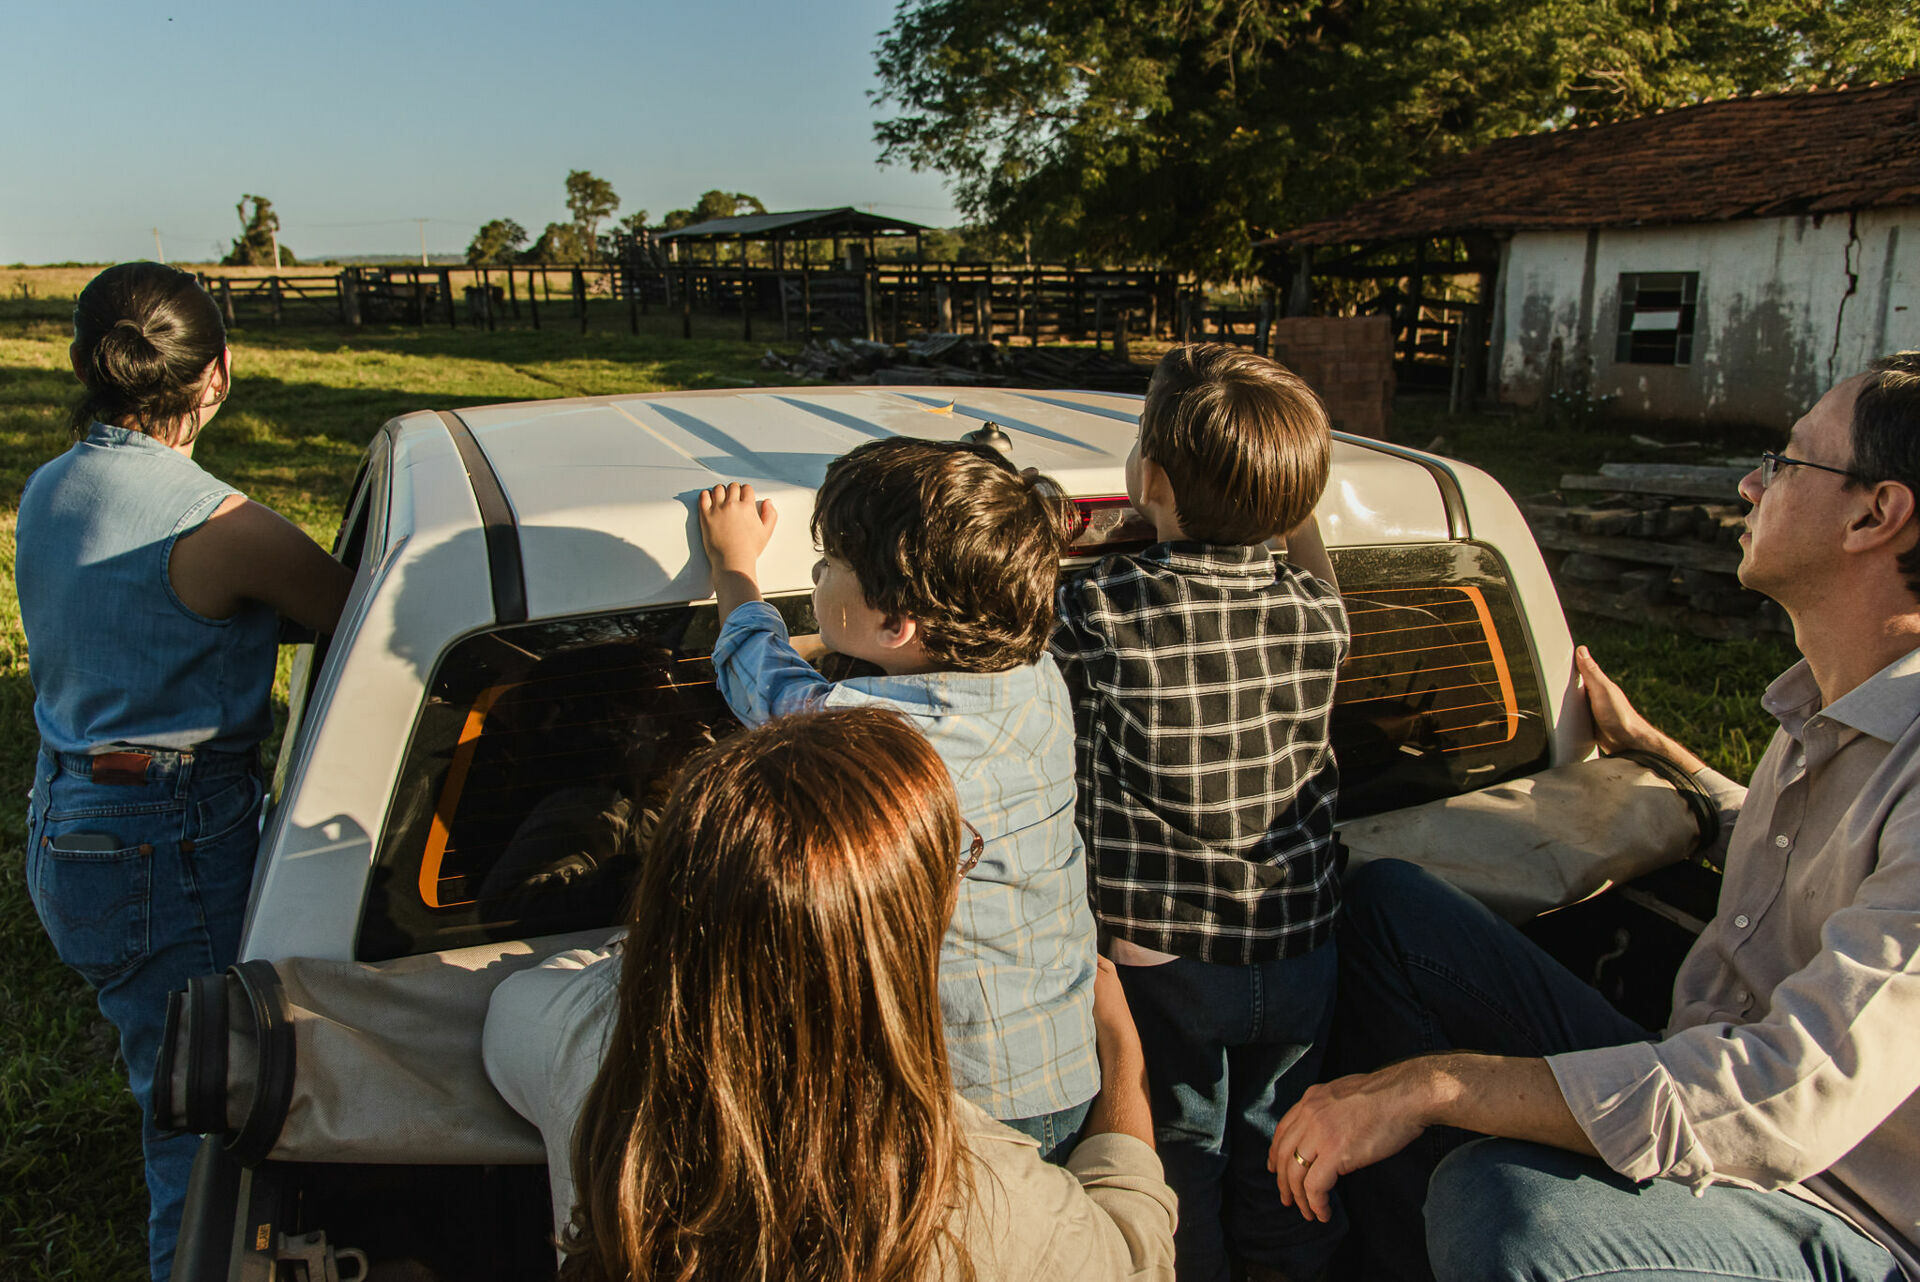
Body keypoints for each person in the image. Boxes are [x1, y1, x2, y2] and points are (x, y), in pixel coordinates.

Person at [1268, 353, 1920, 1282]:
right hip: (1698, 1064)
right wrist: (1675, 763)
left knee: (1507, 1211)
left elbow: (1790, 1098)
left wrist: (1438, 1086)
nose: (1751, 481)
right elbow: (1817, 865)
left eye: (1786, 460)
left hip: (1843, 1210)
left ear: (1873, 514)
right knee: (1393, 911)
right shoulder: (1832, 712)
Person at [481, 707, 1178, 1280]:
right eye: (951, 859)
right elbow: (1133, 1255)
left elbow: (527, 1004)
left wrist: (690, 944)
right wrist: (1121, 1050)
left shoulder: (573, 1040)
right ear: (907, 920)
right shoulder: (982, 1192)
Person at [15, 262, 354, 1280]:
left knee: (167, 1079)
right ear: (219, 374)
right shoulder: (218, 525)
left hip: (68, 820)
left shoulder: (49, 485)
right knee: (209, 1125)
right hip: (168, 847)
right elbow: (359, 611)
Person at [694, 438, 1100, 1159]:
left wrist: (735, 565)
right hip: (1065, 1063)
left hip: (960, 1101)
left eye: (830, 565)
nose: (819, 574)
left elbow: (759, 676)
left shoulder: (867, 740)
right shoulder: (1038, 676)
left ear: (895, 625)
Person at [1051, 343, 1350, 1282]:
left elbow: (1019, 645)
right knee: (1286, 1150)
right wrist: (1290, 503)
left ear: (1149, 478)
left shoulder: (1100, 606)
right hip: (1301, 942)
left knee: (1181, 1157)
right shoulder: (1317, 610)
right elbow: (1309, 559)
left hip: (1164, 954)